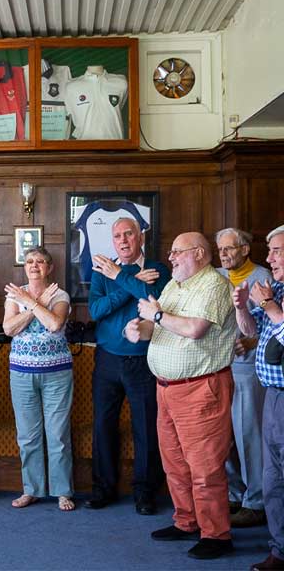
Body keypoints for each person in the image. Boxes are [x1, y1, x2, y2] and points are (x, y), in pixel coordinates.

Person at [125, 232, 237, 560]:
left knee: (204, 467)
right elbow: (159, 328)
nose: (170, 257)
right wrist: (138, 329)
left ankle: (216, 534)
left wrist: (156, 316)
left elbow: (194, 329)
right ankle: (186, 520)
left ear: (199, 254)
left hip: (201, 388)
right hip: (166, 388)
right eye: (171, 252)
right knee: (174, 463)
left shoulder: (214, 285)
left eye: (177, 252)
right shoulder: (175, 284)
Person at [86, 217, 170, 515]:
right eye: (117, 236)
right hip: (107, 359)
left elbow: (155, 299)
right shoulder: (101, 271)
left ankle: (145, 493)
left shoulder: (157, 270)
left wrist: (120, 275)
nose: (123, 241)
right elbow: (96, 310)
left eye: (128, 234)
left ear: (140, 237)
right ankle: (102, 489)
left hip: (144, 361)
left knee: (146, 427)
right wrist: (128, 283)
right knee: (103, 425)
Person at [3, 247, 75, 511]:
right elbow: (8, 328)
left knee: (57, 435)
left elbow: (55, 324)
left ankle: (62, 491)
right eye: (30, 261)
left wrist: (32, 303)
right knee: (28, 436)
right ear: (24, 266)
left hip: (56, 374)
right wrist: (34, 306)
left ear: (50, 267)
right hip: (22, 373)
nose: (34, 265)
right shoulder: (14, 294)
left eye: (41, 261)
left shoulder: (60, 294)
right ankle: (31, 489)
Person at [233, 224, 284, 571]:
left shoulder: (272, 294)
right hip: (273, 395)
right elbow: (252, 332)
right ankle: (280, 550)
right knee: (273, 478)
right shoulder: (277, 286)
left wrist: (267, 304)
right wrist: (241, 307)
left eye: (277, 251)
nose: (270, 258)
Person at [215, 228, 271, 528]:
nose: (223, 254)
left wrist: (251, 342)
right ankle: (234, 494)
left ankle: (256, 501)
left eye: (229, 248)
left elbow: (276, 325)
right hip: (216, 367)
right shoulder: (215, 277)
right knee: (222, 437)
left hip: (248, 369)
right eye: (220, 249)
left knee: (248, 435)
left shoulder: (264, 276)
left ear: (246, 249)